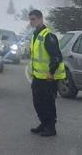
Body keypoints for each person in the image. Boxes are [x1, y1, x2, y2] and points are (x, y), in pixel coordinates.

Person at [28, 9, 65, 137]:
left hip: (48, 78)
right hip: (38, 77)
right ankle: (43, 123)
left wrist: (51, 72)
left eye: (33, 19)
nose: (31, 21)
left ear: (40, 19)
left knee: (48, 102)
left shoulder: (48, 36)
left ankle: (50, 127)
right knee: (37, 102)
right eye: (30, 19)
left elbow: (57, 56)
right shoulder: (35, 35)